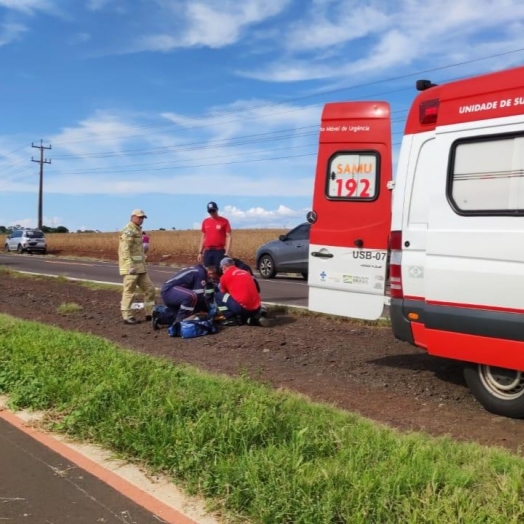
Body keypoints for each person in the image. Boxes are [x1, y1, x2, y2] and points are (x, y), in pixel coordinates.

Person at [118, 209, 156, 325]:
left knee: (150, 289)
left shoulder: (137, 230)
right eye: (139, 217)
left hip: (140, 267)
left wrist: (143, 257)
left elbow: (136, 250)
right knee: (129, 291)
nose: (141, 219)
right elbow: (125, 249)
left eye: (143, 218)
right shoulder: (128, 230)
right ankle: (127, 316)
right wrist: (130, 265)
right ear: (132, 217)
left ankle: (150, 313)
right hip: (131, 268)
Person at [215, 257, 267, 326]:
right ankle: (251, 319)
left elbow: (224, 292)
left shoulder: (224, 277)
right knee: (245, 314)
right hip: (257, 307)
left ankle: (230, 318)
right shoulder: (245, 272)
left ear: (224, 267)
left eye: (221, 268)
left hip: (242, 308)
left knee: (219, 296)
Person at [197, 201, 232, 269]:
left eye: (213, 210)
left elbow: (229, 237)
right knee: (208, 271)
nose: (212, 213)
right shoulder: (205, 221)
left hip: (219, 251)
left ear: (217, 209)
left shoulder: (224, 221)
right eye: (210, 211)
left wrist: (227, 252)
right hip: (208, 251)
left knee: (219, 271)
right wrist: (200, 253)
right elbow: (203, 237)